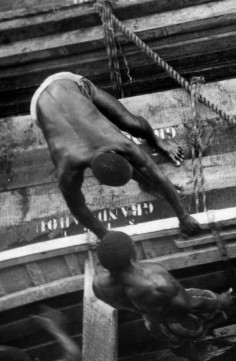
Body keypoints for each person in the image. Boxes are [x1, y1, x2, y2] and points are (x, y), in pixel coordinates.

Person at [32, 72, 201, 238]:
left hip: (68, 82)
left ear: (114, 153)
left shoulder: (117, 141)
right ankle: (144, 181)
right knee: (142, 168)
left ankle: (157, 141)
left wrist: (183, 216)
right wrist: (104, 235)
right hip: (38, 107)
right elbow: (78, 208)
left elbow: (152, 169)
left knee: (133, 124)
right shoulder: (66, 167)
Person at [93, 231, 236, 350]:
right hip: (182, 321)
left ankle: (193, 356)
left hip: (154, 324)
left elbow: (126, 305)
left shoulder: (98, 285)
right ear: (131, 256)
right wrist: (219, 301)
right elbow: (190, 304)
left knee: (176, 342)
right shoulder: (157, 283)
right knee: (218, 309)